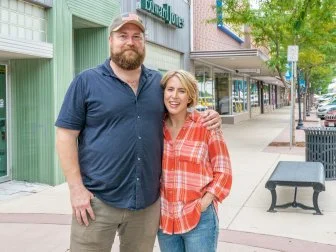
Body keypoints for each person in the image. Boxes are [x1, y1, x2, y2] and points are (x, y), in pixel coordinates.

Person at [55, 13, 221, 252]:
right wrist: (76, 189)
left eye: (137, 36)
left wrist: (208, 115)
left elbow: (181, 108)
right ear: (110, 40)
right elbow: (65, 135)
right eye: (123, 36)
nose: (130, 41)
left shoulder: (158, 83)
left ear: (144, 43)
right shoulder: (86, 82)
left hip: (146, 205)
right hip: (96, 202)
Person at [158, 70, 232, 252]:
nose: (174, 96)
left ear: (190, 96)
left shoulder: (206, 126)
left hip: (199, 219)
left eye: (182, 91)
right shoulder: (154, 127)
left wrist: (203, 203)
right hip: (165, 219)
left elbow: (224, 171)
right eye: (170, 89)